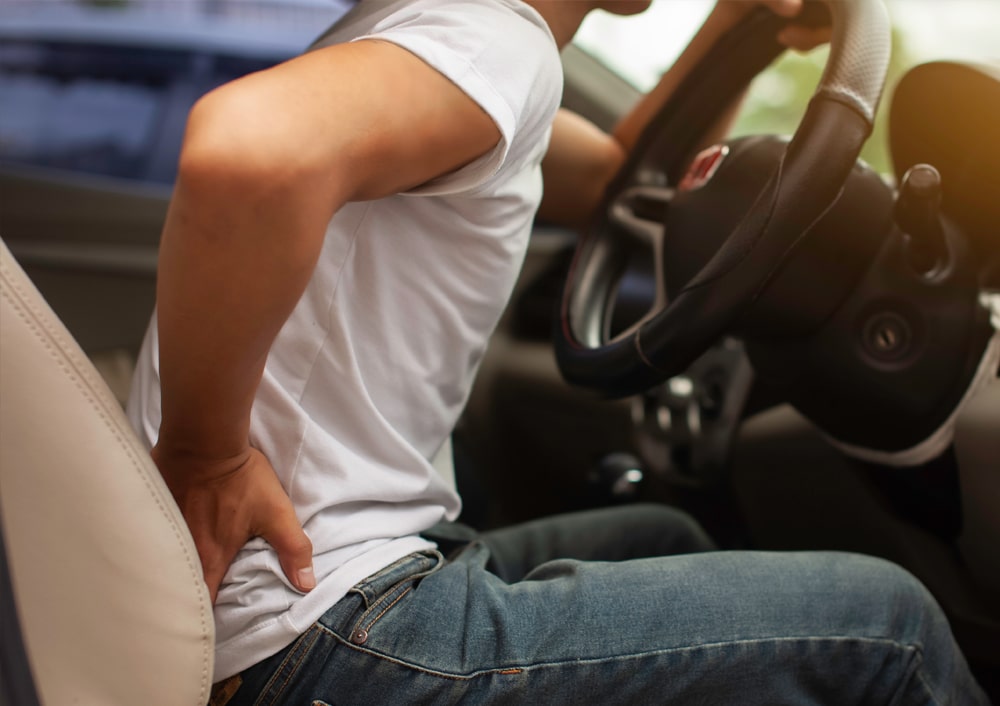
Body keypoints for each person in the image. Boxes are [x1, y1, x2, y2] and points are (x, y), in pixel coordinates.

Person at [127, 0, 990, 703]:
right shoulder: (494, 39)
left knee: (665, 534)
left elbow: (623, 176)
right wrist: (206, 453)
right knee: (891, 631)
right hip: (322, 632)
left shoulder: (435, 35)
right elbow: (245, 150)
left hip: (287, 601)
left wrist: (732, 29)